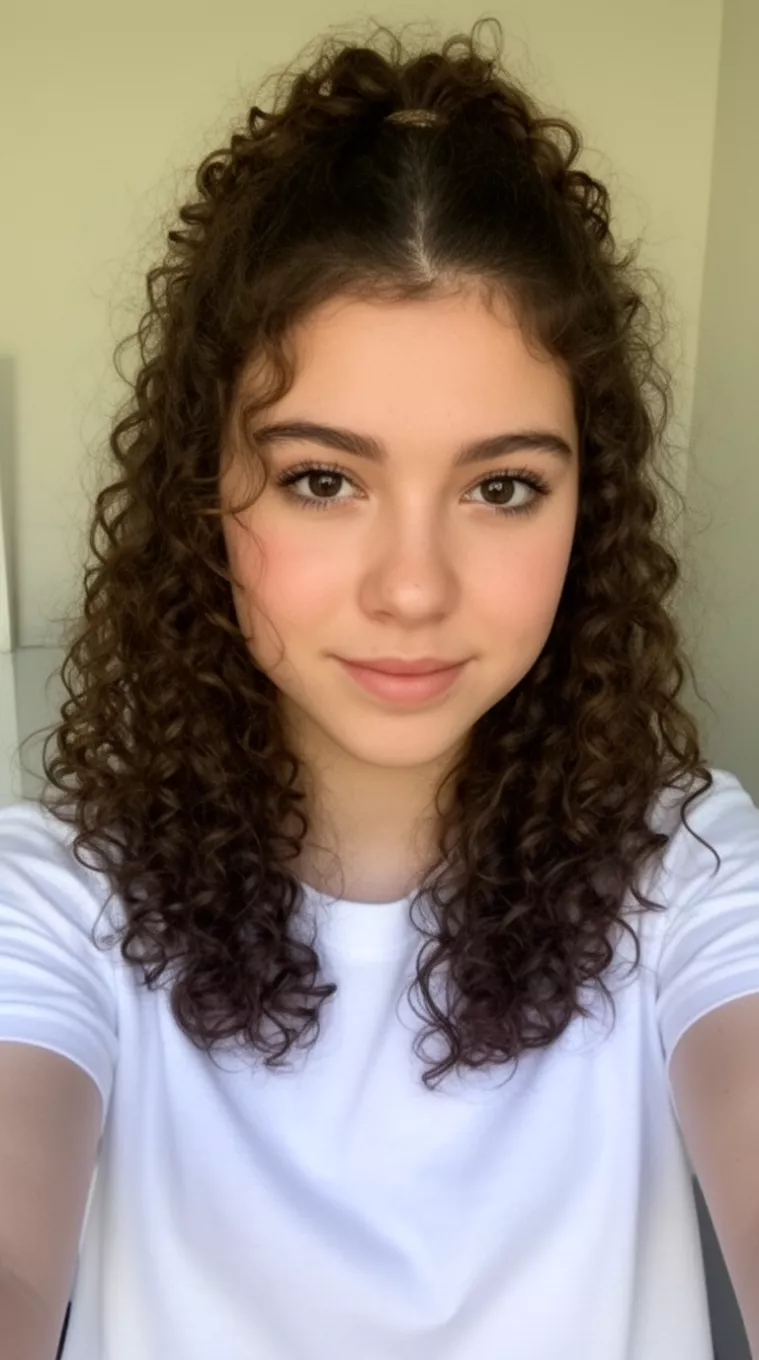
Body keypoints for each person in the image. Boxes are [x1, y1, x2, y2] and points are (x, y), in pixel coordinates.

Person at [1, 15, 758, 1360]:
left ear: (589, 513)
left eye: (501, 487)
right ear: (205, 499)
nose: (412, 587)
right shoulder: (58, 901)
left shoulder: (690, 872)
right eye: (322, 479)